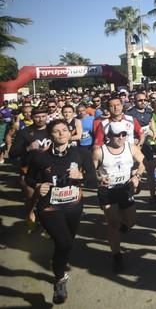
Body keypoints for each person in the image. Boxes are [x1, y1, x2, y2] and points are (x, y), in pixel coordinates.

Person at [25, 119, 90, 304]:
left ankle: (59, 261)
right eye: (56, 131)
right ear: (50, 135)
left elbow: (93, 180)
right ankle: (60, 279)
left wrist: (82, 176)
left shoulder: (81, 154)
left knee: (67, 242)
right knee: (64, 243)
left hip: (74, 207)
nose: (61, 134)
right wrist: (38, 185)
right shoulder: (40, 157)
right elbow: (28, 178)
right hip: (49, 207)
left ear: (70, 133)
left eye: (64, 130)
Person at [93, 120, 145, 273]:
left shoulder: (131, 148)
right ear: (108, 136)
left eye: (124, 134)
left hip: (125, 189)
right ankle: (116, 255)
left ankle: (119, 230)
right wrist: (98, 178)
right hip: (107, 190)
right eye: (117, 135)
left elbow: (143, 162)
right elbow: (91, 171)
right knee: (113, 223)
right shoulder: (99, 151)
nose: (121, 137)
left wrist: (137, 176)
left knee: (131, 221)